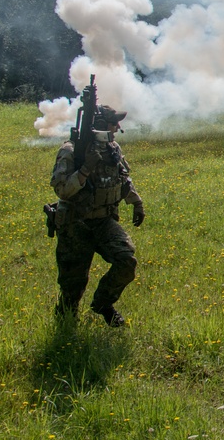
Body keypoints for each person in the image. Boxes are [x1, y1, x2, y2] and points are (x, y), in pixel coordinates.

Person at [50, 105, 146, 326]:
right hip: (76, 224)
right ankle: (65, 325)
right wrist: (85, 169)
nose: (118, 127)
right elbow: (62, 190)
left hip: (104, 221)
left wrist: (136, 202)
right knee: (72, 288)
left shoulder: (113, 148)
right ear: (102, 125)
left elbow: (122, 178)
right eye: (114, 123)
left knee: (126, 261)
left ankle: (103, 304)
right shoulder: (71, 150)